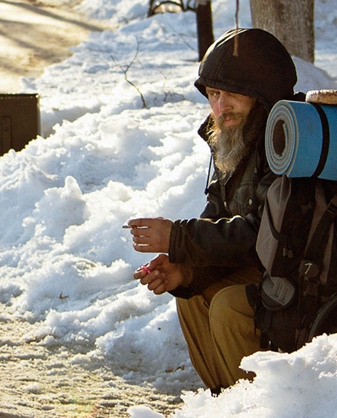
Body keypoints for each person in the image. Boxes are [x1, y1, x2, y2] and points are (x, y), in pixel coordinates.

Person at [126, 27, 297, 392]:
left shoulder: (285, 146)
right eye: (214, 94)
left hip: (300, 279)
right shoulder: (235, 140)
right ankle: (224, 404)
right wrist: (185, 268)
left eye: (232, 93)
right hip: (265, 271)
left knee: (229, 306)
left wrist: (179, 237)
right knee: (191, 299)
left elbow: (263, 236)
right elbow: (219, 217)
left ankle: (260, 412)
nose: (220, 107)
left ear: (263, 96)